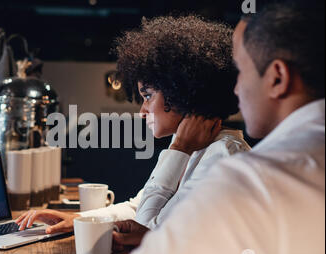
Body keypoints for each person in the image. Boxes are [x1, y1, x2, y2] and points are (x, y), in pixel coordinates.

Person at [103, 0, 325, 254]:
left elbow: (146, 251)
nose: (235, 89)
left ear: (277, 78)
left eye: (241, 71)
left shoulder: (245, 173)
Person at [15, 16, 250, 235]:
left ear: (182, 92)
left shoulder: (222, 157)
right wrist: (79, 219)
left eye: (148, 96)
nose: (142, 111)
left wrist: (178, 149)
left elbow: (146, 229)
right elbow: (138, 206)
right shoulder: (199, 146)